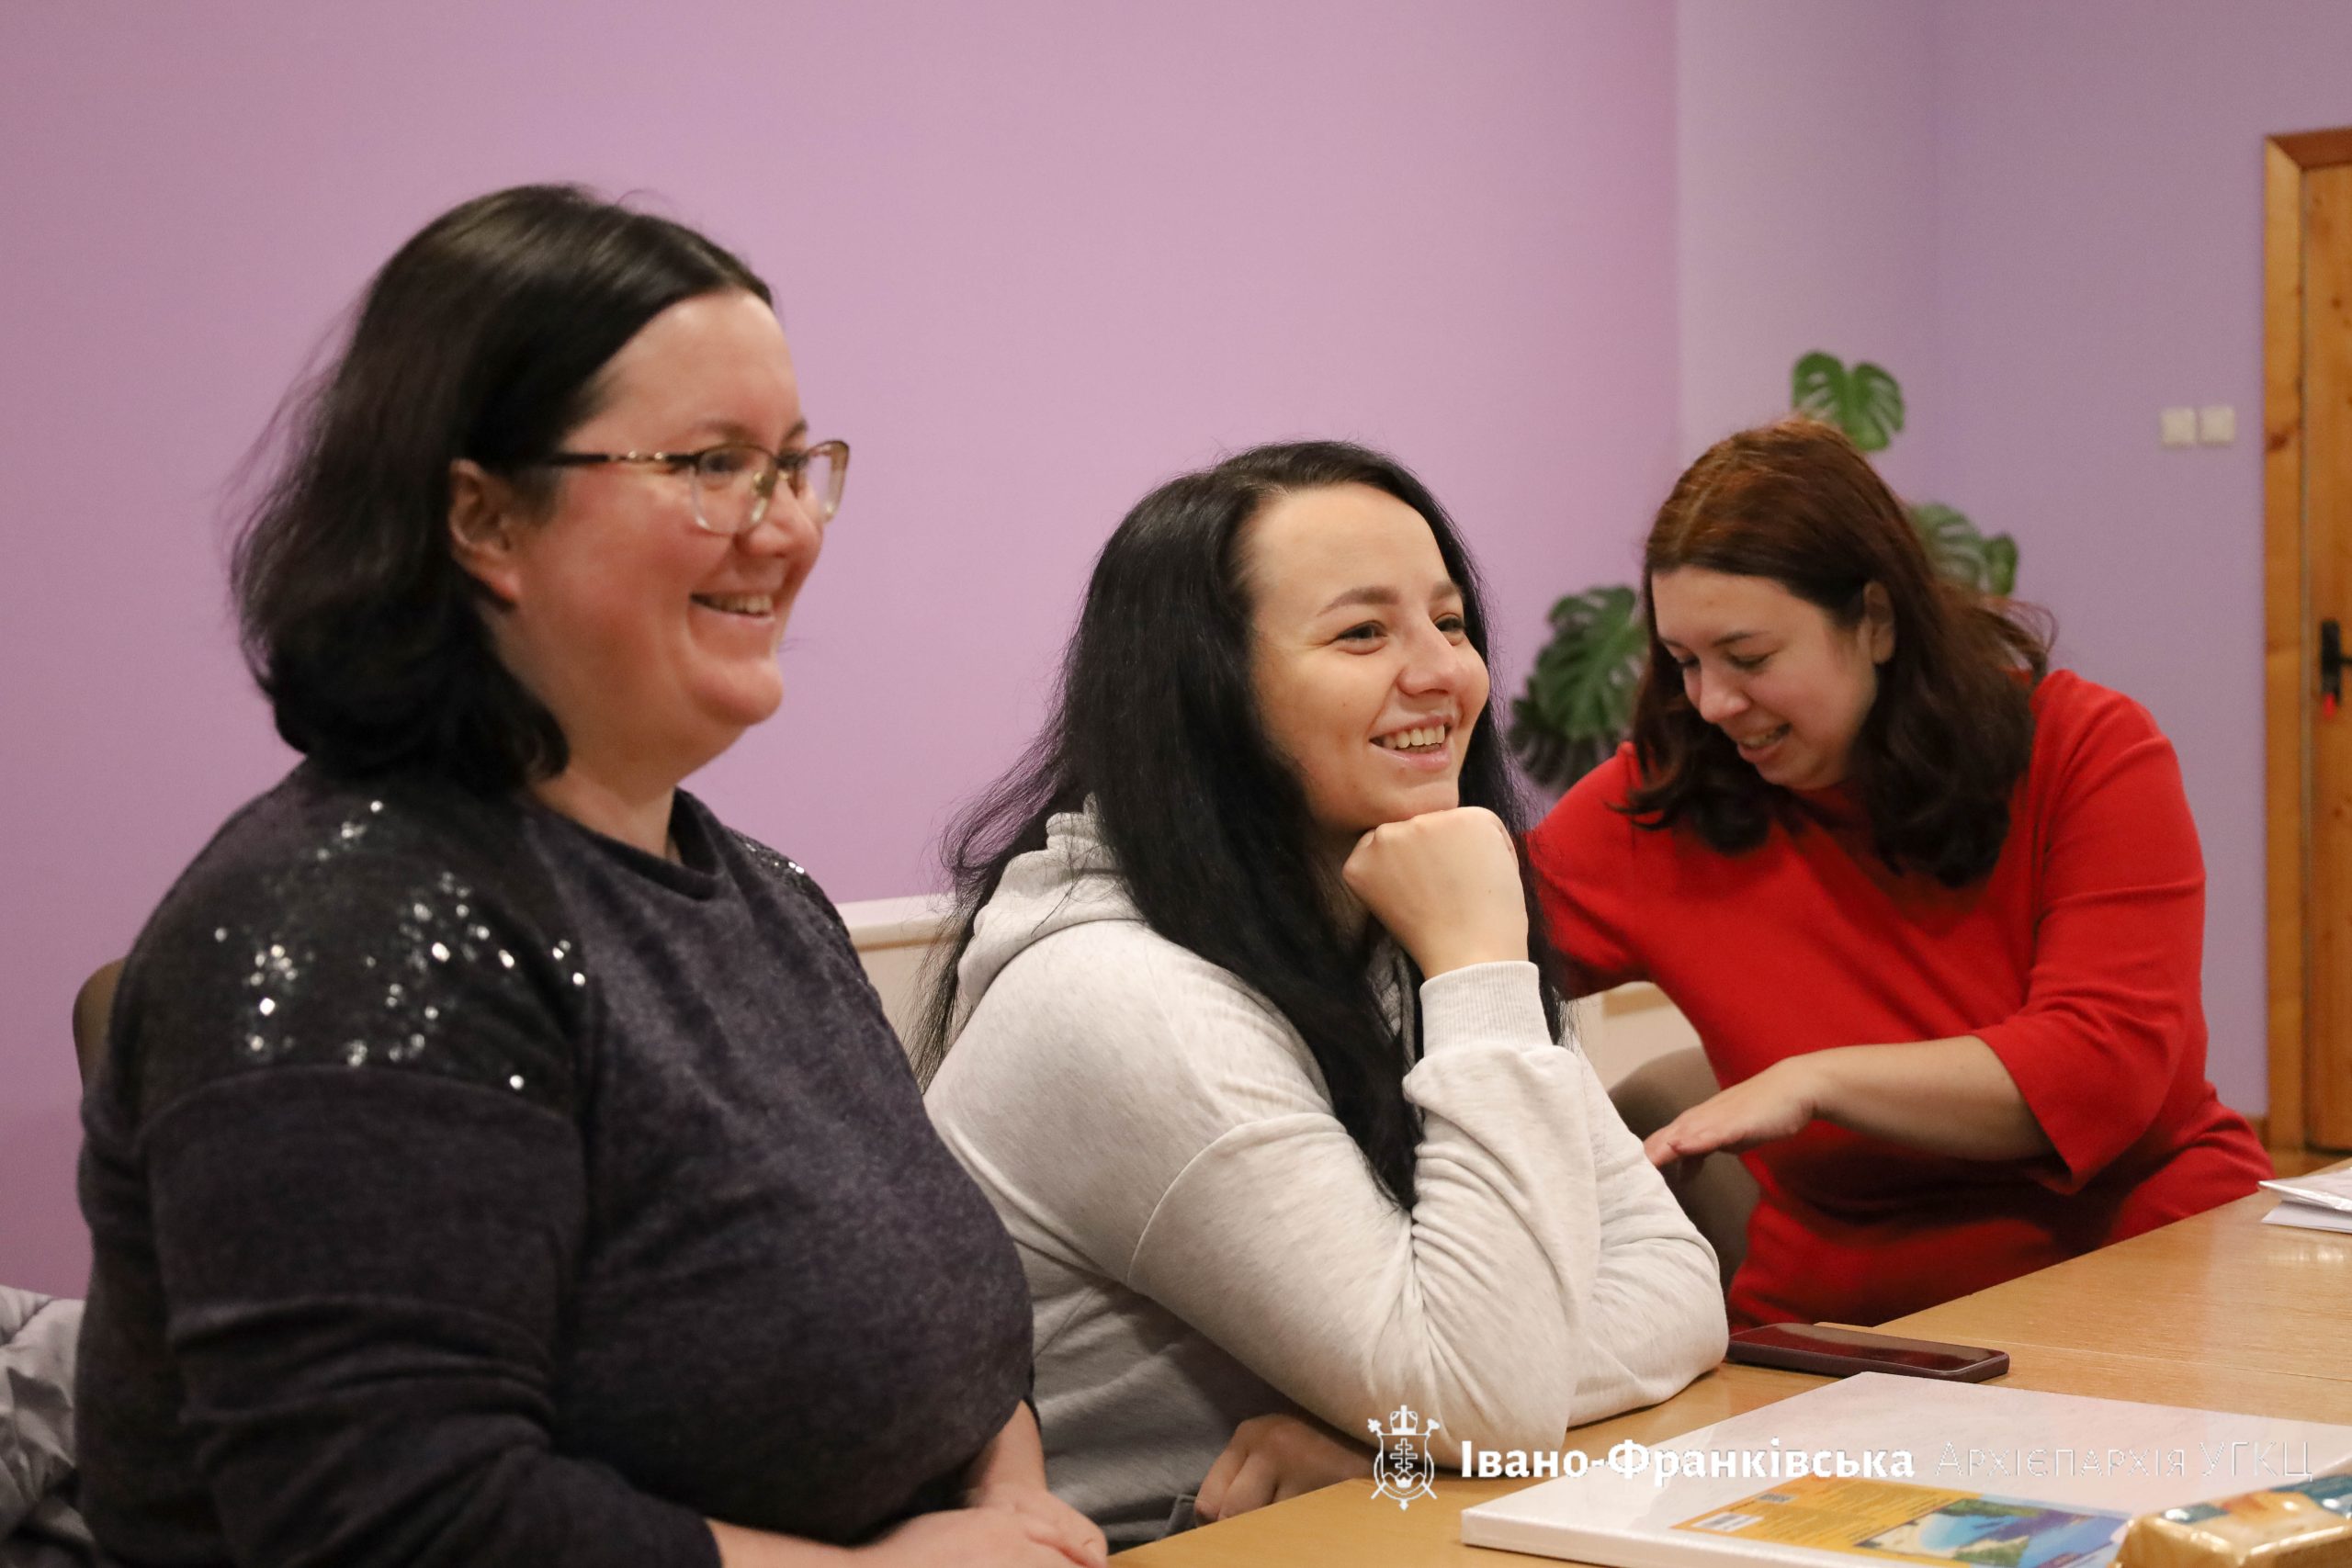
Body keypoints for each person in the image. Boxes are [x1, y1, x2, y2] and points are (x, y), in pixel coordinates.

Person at [75, 185, 1104, 1568]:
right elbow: (392, 1520)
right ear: (486, 519)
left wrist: (1005, 1491)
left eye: (793, 465)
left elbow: (946, 1323)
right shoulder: (347, 929)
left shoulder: (763, 896)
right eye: (712, 464)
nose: (786, 527)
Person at [921, 442, 1727, 1549]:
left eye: (1448, 622)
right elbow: (1484, 1395)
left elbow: (1676, 1284)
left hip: (1362, 1524)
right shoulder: (1122, 998)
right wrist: (1449, 1411)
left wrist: (1419, 1426)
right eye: (1361, 633)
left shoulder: (1378, 907)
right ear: (1205, 691)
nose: (1443, 673)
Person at [1528, 417, 2273, 1332]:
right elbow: (1452, 947)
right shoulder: (1662, 802)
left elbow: (2100, 1071)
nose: (1713, 703)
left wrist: (1816, 1083)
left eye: (1749, 659)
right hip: (1851, 1321)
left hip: (2143, 1262)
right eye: (1685, 663)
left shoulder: (2087, 750)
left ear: (1876, 621)